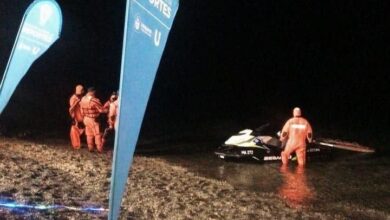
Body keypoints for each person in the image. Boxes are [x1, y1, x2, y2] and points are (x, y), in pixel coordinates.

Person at [79, 87, 105, 152]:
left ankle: (90, 147)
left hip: (86, 118)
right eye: (94, 92)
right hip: (93, 119)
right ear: (92, 92)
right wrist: (107, 110)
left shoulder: (83, 99)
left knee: (89, 134)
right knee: (97, 134)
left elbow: (81, 110)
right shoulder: (94, 100)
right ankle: (99, 149)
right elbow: (101, 110)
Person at [69, 84, 85, 149]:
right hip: (76, 117)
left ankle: (79, 144)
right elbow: (71, 109)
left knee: (82, 129)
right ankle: (76, 145)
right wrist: (73, 118)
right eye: (82, 90)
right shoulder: (73, 98)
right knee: (74, 130)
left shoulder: (81, 97)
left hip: (82, 116)